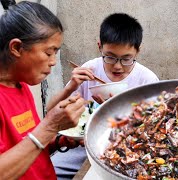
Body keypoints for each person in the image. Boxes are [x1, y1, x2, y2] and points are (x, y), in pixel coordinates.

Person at [48, 13, 159, 179]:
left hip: (128, 151)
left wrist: (114, 112)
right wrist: (71, 86)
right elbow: (50, 111)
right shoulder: (90, 69)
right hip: (83, 148)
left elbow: (154, 130)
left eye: (126, 59)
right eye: (110, 57)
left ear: (137, 51)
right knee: (49, 172)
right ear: (99, 46)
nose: (118, 66)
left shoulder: (147, 80)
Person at [0, 1, 86, 179]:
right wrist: (50, 126)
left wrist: (61, 139)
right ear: (16, 47)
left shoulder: (21, 85)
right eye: (48, 53)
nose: (53, 61)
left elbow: (28, 144)